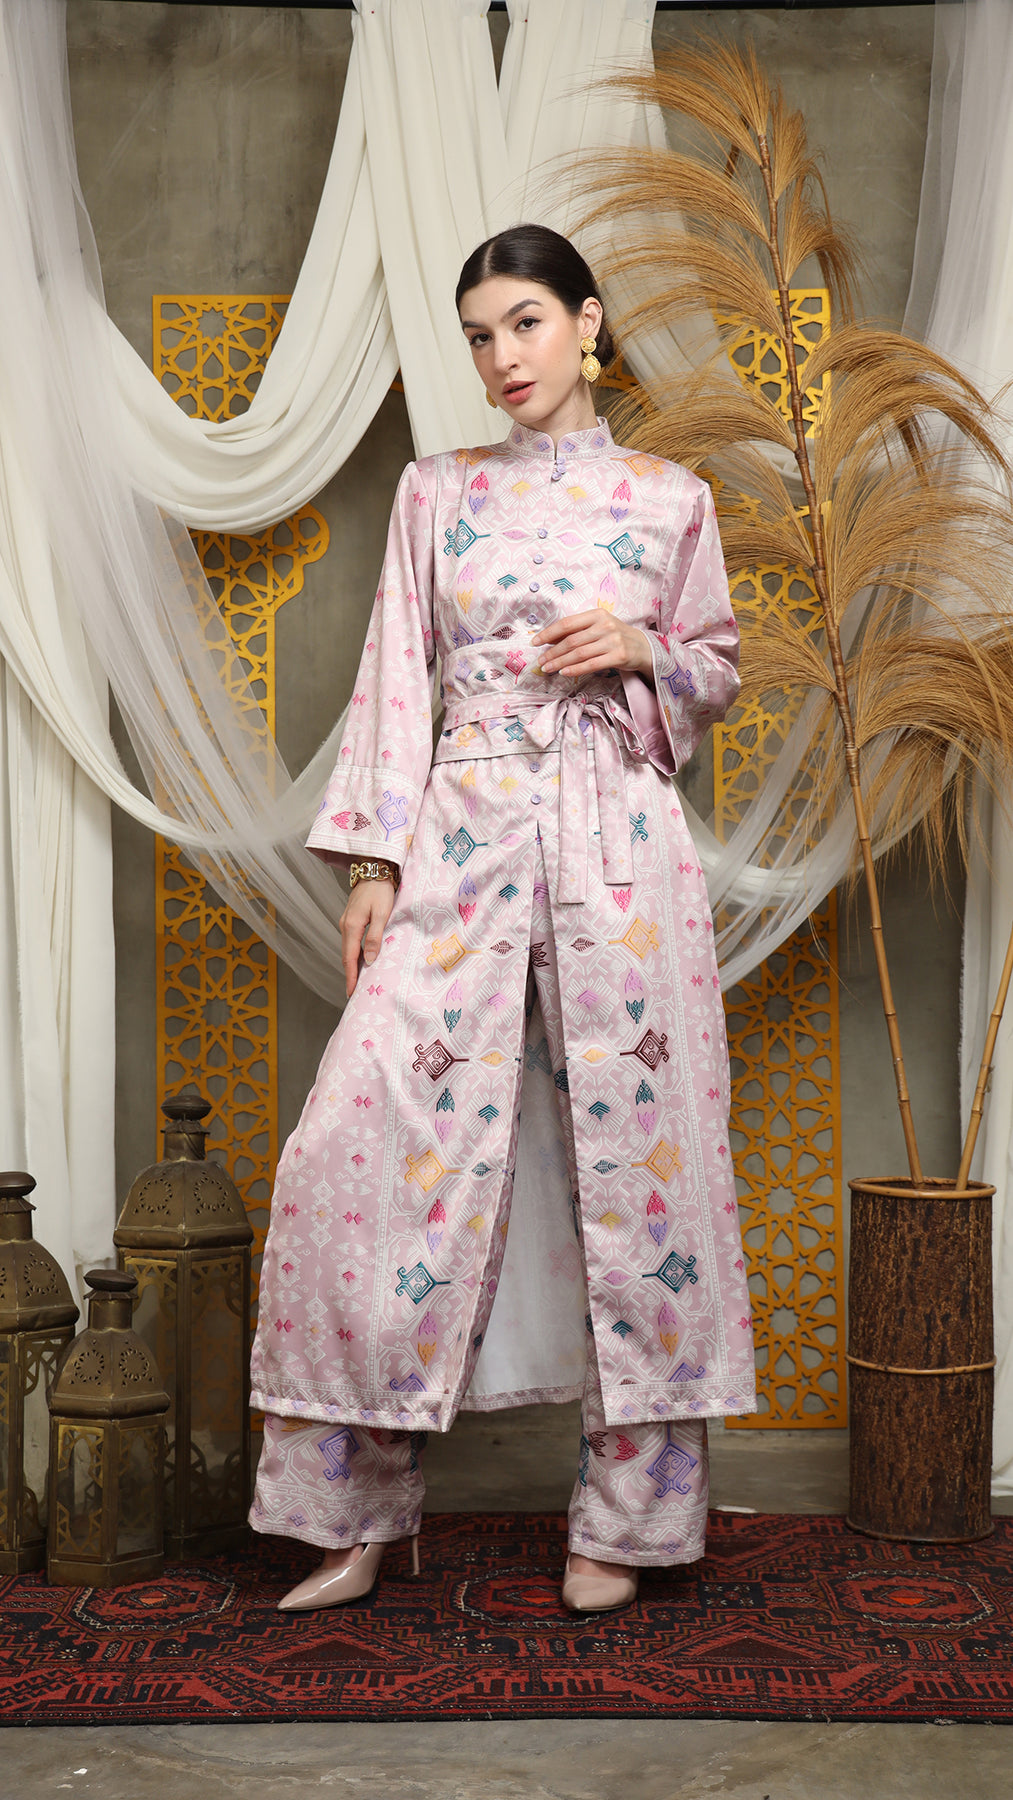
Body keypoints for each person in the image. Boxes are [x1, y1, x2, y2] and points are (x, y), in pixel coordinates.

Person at [248, 223, 756, 1615]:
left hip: (619, 842)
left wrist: (645, 647)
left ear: (587, 324)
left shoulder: (670, 498)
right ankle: (350, 1512)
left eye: (526, 322)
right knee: (365, 1144)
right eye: (479, 335)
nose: (502, 357)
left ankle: (630, 1520)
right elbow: (396, 675)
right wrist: (371, 864)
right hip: (462, 830)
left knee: (641, 1160)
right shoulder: (437, 491)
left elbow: (715, 667)